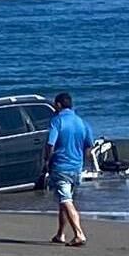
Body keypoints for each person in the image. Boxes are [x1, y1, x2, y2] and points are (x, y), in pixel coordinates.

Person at [44, 92, 94, 247]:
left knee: (66, 200)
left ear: (59, 105)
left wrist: (47, 160)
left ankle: (79, 234)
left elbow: (50, 144)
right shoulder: (82, 122)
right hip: (76, 167)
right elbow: (89, 145)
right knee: (64, 201)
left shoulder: (57, 121)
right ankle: (60, 234)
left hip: (61, 166)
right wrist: (83, 161)